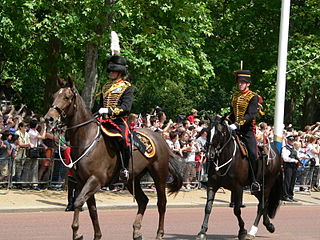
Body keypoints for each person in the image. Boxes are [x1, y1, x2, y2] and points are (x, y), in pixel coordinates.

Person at [98, 55, 133, 181]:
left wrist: (109, 110)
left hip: (118, 120)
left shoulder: (126, 86)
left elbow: (126, 108)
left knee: (124, 140)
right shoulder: (105, 87)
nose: (111, 72)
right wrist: (99, 112)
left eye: (114, 70)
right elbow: (101, 105)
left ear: (120, 72)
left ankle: (124, 168)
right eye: (110, 70)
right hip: (103, 119)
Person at [226, 70, 260, 192]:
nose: (240, 84)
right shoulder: (235, 96)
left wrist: (237, 124)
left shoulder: (253, 96)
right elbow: (232, 113)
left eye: (243, 82)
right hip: (234, 129)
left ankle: (254, 180)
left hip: (246, 130)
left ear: (248, 84)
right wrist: (225, 120)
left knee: (253, 154)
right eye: (239, 82)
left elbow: (250, 115)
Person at [281, 135, 300, 202]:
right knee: (287, 181)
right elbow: (285, 158)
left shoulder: (294, 148)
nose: (292, 142)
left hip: (294, 166)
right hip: (288, 166)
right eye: (291, 140)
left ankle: (290, 195)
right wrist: (294, 160)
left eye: (293, 140)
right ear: (288, 140)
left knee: (292, 181)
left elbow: (297, 155)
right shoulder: (285, 148)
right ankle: (285, 195)